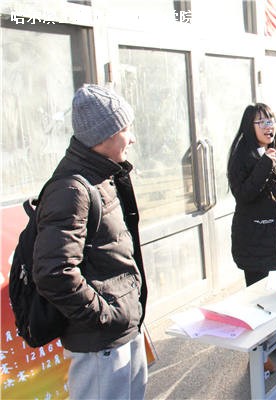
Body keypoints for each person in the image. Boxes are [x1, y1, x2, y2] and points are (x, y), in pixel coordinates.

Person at [32, 84, 148, 399]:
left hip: (122, 329)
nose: (132, 138)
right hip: (101, 344)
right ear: (104, 136)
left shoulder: (103, 177)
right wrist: (104, 316)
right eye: (125, 129)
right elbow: (54, 273)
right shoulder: (71, 189)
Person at [227, 103, 276, 373]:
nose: (268, 126)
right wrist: (265, 163)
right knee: (257, 300)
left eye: (271, 120)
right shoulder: (243, 156)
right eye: (261, 121)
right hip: (254, 239)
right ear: (249, 127)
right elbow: (244, 195)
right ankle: (258, 355)